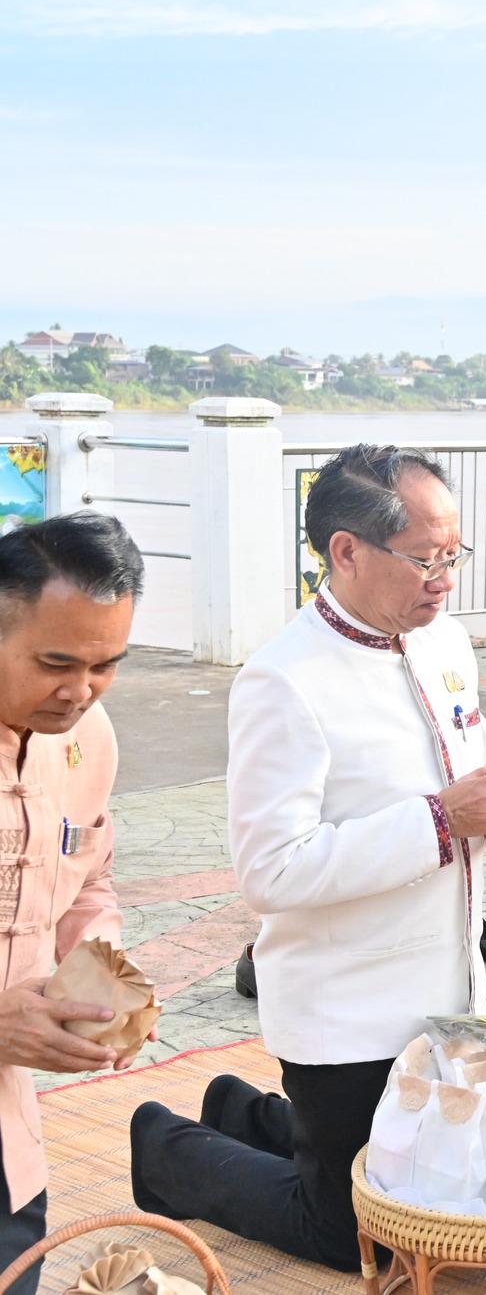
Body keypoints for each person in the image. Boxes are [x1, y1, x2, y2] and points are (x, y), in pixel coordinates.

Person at [129, 445, 486, 1270]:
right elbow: (270, 870)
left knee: (455, 1197)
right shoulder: (283, 681)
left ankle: (253, 1114)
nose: (444, 578)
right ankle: (167, 1148)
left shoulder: (444, 644)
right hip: (346, 1009)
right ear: (347, 550)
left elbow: (461, 794)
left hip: (451, 985)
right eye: (425, 559)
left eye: (453, 555)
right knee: (358, 1238)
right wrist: (440, 819)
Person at [0, 513, 147, 1294]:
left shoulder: (89, 736)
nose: (79, 690)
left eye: (106, 666)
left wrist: (101, 967)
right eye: (55, 662)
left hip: (9, 1145)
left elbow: (87, 872)